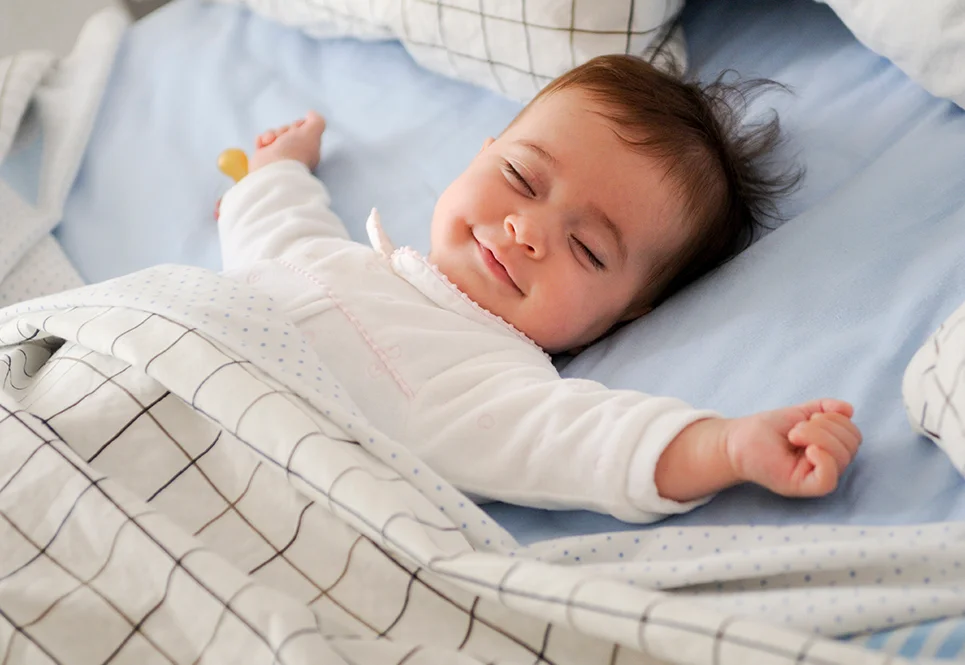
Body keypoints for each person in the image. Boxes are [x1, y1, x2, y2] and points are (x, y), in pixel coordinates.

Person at [217, 55, 861, 523]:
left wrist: (727, 446)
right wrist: (279, 169)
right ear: (482, 152)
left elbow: (587, 443)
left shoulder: (486, 381)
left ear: (630, 312)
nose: (527, 231)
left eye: (586, 249)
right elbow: (277, 226)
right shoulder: (328, 258)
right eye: (522, 177)